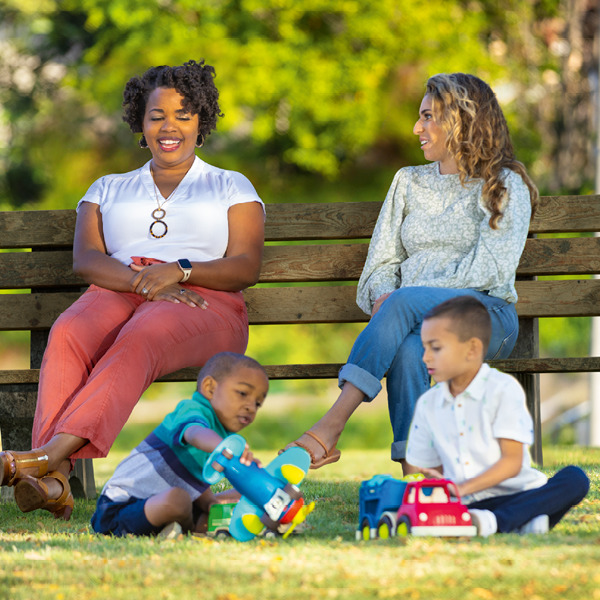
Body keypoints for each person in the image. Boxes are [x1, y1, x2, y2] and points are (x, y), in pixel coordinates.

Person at [0, 60, 265, 521]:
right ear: (139, 124)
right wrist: (147, 283)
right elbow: (88, 260)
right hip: (120, 290)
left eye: (183, 115)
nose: (170, 127)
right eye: (156, 115)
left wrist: (178, 271)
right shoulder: (107, 188)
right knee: (67, 331)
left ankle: (44, 459)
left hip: (204, 299)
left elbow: (245, 266)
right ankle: (56, 482)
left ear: (201, 122)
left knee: (144, 332)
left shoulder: (229, 185)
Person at [283, 73, 540, 471]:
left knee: (405, 303)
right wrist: (388, 298)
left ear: (463, 120)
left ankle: (330, 427)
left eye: (429, 117)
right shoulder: (407, 181)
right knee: (407, 350)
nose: (417, 128)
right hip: (415, 322)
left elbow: (489, 269)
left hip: (486, 318)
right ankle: (417, 471)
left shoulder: (504, 184)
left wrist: (407, 301)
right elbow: (380, 265)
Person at [405, 296, 589, 535]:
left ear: (472, 349)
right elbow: (425, 469)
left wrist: (461, 488)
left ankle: (500, 522)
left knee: (575, 479)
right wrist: (434, 485)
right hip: (469, 506)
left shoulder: (503, 389)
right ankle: (524, 521)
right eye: (425, 347)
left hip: (520, 494)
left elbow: (511, 463)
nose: (425, 357)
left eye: (436, 348)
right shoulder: (428, 403)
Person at [91, 352, 268, 537]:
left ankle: (193, 522)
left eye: (258, 403)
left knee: (240, 494)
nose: (250, 406)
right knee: (178, 500)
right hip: (120, 508)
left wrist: (210, 502)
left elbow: (194, 475)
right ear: (210, 388)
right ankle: (193, 528)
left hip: (166, 503)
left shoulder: (221, 434)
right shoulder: (192, 411)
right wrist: (223, 446)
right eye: (242, 393)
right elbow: (195, 434)